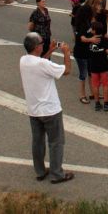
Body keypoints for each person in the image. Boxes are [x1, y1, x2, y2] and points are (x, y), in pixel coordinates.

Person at [19, 32, 74, 184]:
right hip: (50, 109)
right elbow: (67, 70)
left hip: (33, 109)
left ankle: (40, 171)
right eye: (42, 44)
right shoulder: (43, 64)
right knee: (56, 142)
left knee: (37, 141)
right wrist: (67, 53)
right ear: (36, 47)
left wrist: (50, 50)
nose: (43, 45)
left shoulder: (23, 60)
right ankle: (57, 173)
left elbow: (40, 62)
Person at [88, 21, 108, 112]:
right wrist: (104, 50)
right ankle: (106, 104)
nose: (91, 30)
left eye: (92, 28)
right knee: (105, 85)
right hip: (103, 65)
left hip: (93, 66)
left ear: (94, 31)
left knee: (95, 85)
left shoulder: (90, 39)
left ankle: (97, 103)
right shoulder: (104, 40)